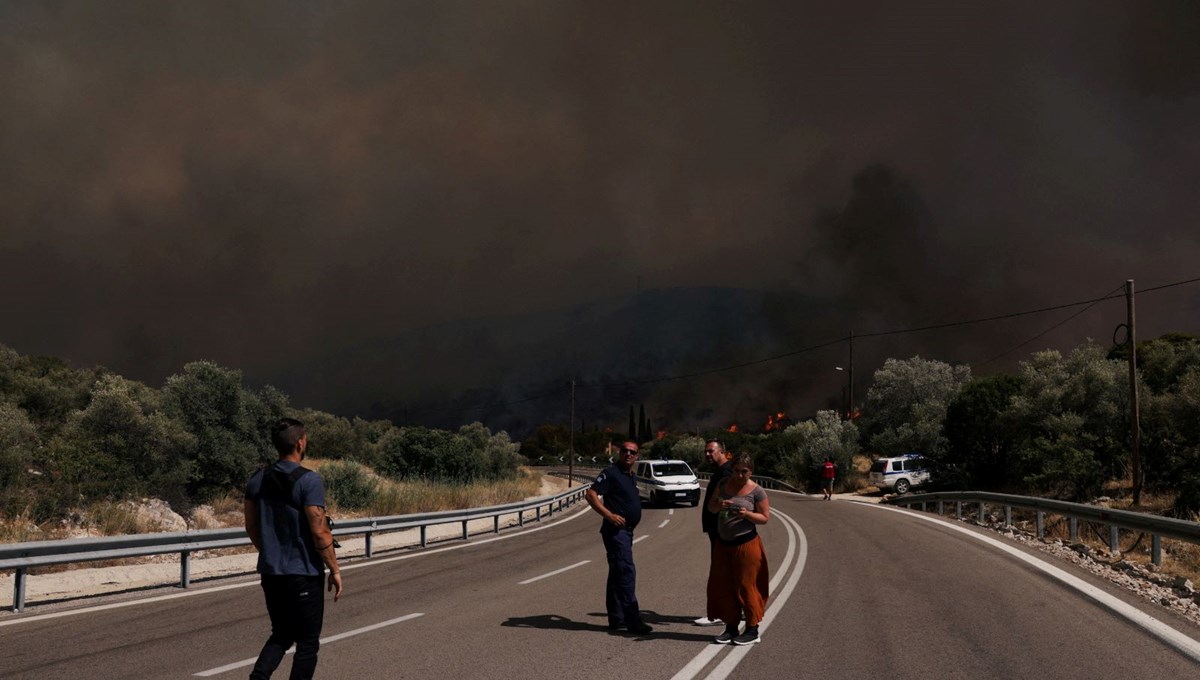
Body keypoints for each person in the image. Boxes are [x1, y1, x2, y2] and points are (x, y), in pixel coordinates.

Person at [244, 418, 343, 680]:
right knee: (308, 642)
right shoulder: (308, 480)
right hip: (303, 574)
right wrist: (334, 569)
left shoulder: (257, 479)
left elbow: (251, 527)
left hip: (271, 573)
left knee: (282, 634)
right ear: (300, 443)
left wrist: (270, 552)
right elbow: (320, 531)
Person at [586, 441, 652, 635]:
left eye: (633, 452)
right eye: (625, 451)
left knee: (617, 573)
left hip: (627, 532)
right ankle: (633, 621)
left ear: (637, 456)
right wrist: (609, 515)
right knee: (626, 573)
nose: (628, 454)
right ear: (619, 453)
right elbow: (591, 495)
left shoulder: (630, 475)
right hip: (616, 533)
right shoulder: (611, 473)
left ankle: (617, 618)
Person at [706, 453, 770, 645]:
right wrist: (720, 504)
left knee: (746, 586)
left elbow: (765, 518)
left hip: (746, 545)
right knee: (725, 585)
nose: (740, 475)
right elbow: (711, 507)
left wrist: (747, 514)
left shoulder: (756, 491)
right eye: (737, 470)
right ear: (732, 469)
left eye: (745, 472)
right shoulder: (724, 484)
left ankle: (752, 629)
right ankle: (731, 628)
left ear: (751, 472)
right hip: (723, 544)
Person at [694, 439, 732, 626]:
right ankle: (732, 610)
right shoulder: (720, 471)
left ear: (722, 451)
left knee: (720, 571)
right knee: (724, 570)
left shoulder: (726, 472)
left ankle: (720, 613)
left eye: (711, 451)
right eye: (706, 452)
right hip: (717, 529)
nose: (707, 454)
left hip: (721, 530)